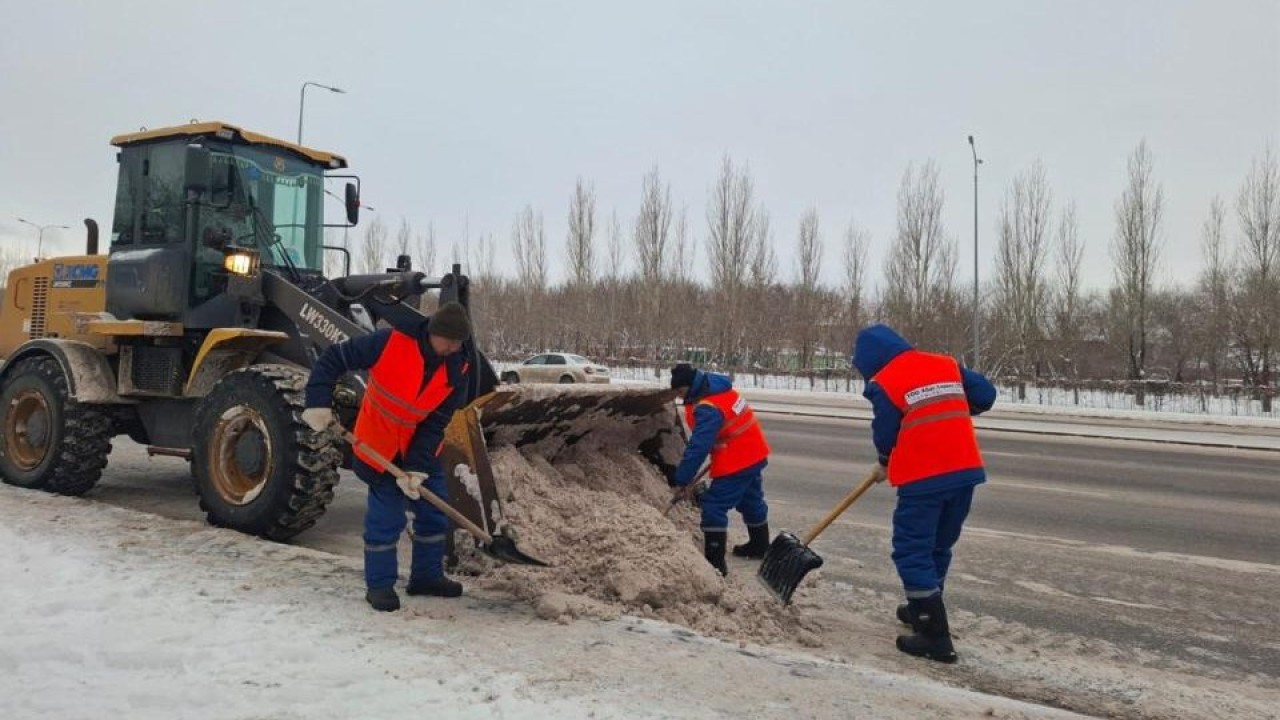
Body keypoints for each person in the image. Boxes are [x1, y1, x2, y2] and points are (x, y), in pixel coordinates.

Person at [301, 301, 473, 612]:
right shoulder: (389, 342)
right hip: (377, 444)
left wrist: (418, 468)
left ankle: (426, 578)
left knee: (434, 515)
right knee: (387, 519)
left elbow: (436, 421)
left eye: (457, 343)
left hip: (421, 448)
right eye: (447, 341)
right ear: (432, 332)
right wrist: (318, 401)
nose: (451, 348)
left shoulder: (458, 366)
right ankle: (379, 585)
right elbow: (333, 358)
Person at [852, 324, 996, 662]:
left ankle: (934, 636)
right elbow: (985, 396)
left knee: (912, 550)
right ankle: (925, 606)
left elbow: (886, 433)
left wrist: (886, 460)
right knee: (938, 545)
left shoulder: (885, 382)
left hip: (924, 479)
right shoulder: (944, 364)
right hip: (964, 472)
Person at [669, 363, 772, 575]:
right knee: (751, 499)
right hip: (754, 452)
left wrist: (682, 478)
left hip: (737, 460)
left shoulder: (708, 407)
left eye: (680, 391)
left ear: (690, 385)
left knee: (713, 506)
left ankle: (715, 565)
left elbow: (698, 447)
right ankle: (760, 545)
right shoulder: (718, 388)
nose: (679, 397)